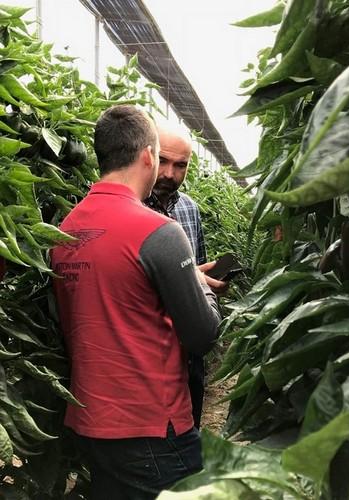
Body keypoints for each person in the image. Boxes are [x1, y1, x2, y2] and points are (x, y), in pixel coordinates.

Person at [51, 105, 221, 500]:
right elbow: (202, 336)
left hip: (91, 421)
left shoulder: (66, 228)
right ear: (148, 155)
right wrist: (200, 282)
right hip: (152, 427)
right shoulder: (159, 231)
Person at [145, 124, 227, 429]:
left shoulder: (189, 209)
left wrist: (209, 283)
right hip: (151, 348)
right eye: (163, 161)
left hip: (189, 348)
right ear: (147, 156)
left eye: (180, 165)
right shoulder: (133, 208)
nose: (169, 174)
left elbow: (197, 266)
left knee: (189, 429)